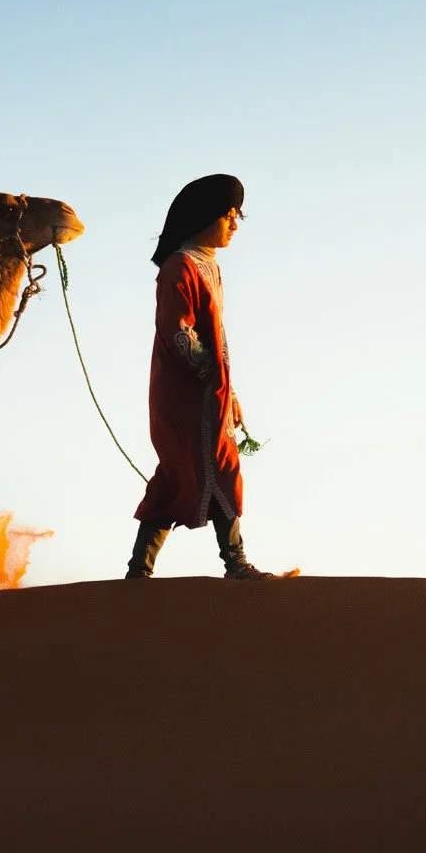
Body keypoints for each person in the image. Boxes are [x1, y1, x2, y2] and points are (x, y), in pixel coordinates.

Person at [128, 174, 281, 580]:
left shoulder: (208, 266)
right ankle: (234, 564)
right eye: (229, 216)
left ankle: (141, 573)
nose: (235, 225)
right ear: (205, 217)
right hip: (184, 392)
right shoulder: (179, 267)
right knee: (193, 469)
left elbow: (217, 339)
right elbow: (178, 332)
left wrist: (229, 393)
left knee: (209, 469)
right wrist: (208, 375)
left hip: (210, 392)